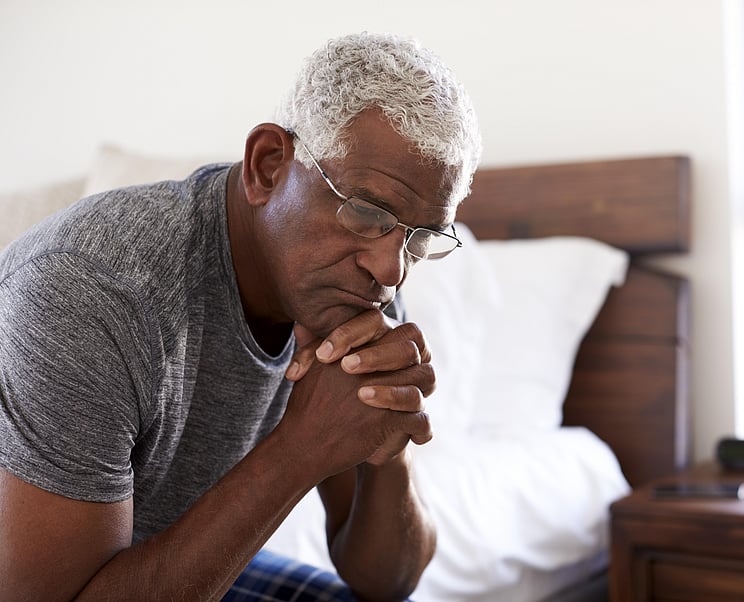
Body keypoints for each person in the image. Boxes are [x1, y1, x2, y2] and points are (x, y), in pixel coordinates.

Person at [0, 31, 482, 601]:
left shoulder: (360, 281)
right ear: (268, 166)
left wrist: (388, 438)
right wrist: (303, 447)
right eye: (367, 211)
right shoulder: (93, 289)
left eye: (421, 238)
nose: (392, 270)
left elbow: (386, 582)